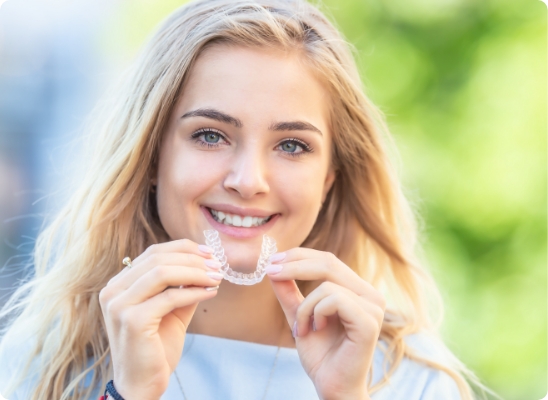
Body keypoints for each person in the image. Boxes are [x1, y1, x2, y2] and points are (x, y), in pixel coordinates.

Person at [0, 0, 493, 399]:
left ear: (329, 179)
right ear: (151, 157)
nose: (248, 180)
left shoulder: (414, 381)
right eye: (211, 135)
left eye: (292, 145)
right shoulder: (40, 363)